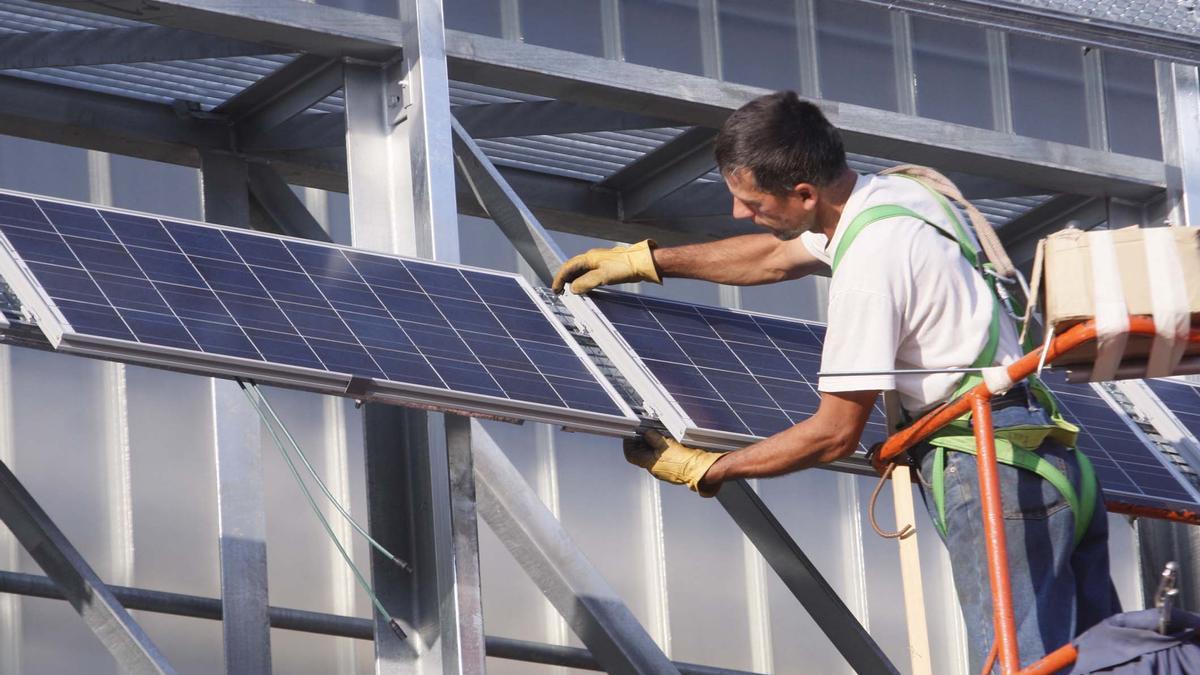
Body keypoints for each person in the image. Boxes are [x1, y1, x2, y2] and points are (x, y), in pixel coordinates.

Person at [552, 91, 1118, 671]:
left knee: (1019, 667)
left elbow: (834, 433)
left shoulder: (871, 263)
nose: (740, 214)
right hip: (1051, 459)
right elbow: (773, 259)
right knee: (1108, 659)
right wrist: (648, 261)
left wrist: (710, 467)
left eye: (751, 202)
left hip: (992, 473)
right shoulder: (900, 195)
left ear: (804, 194)